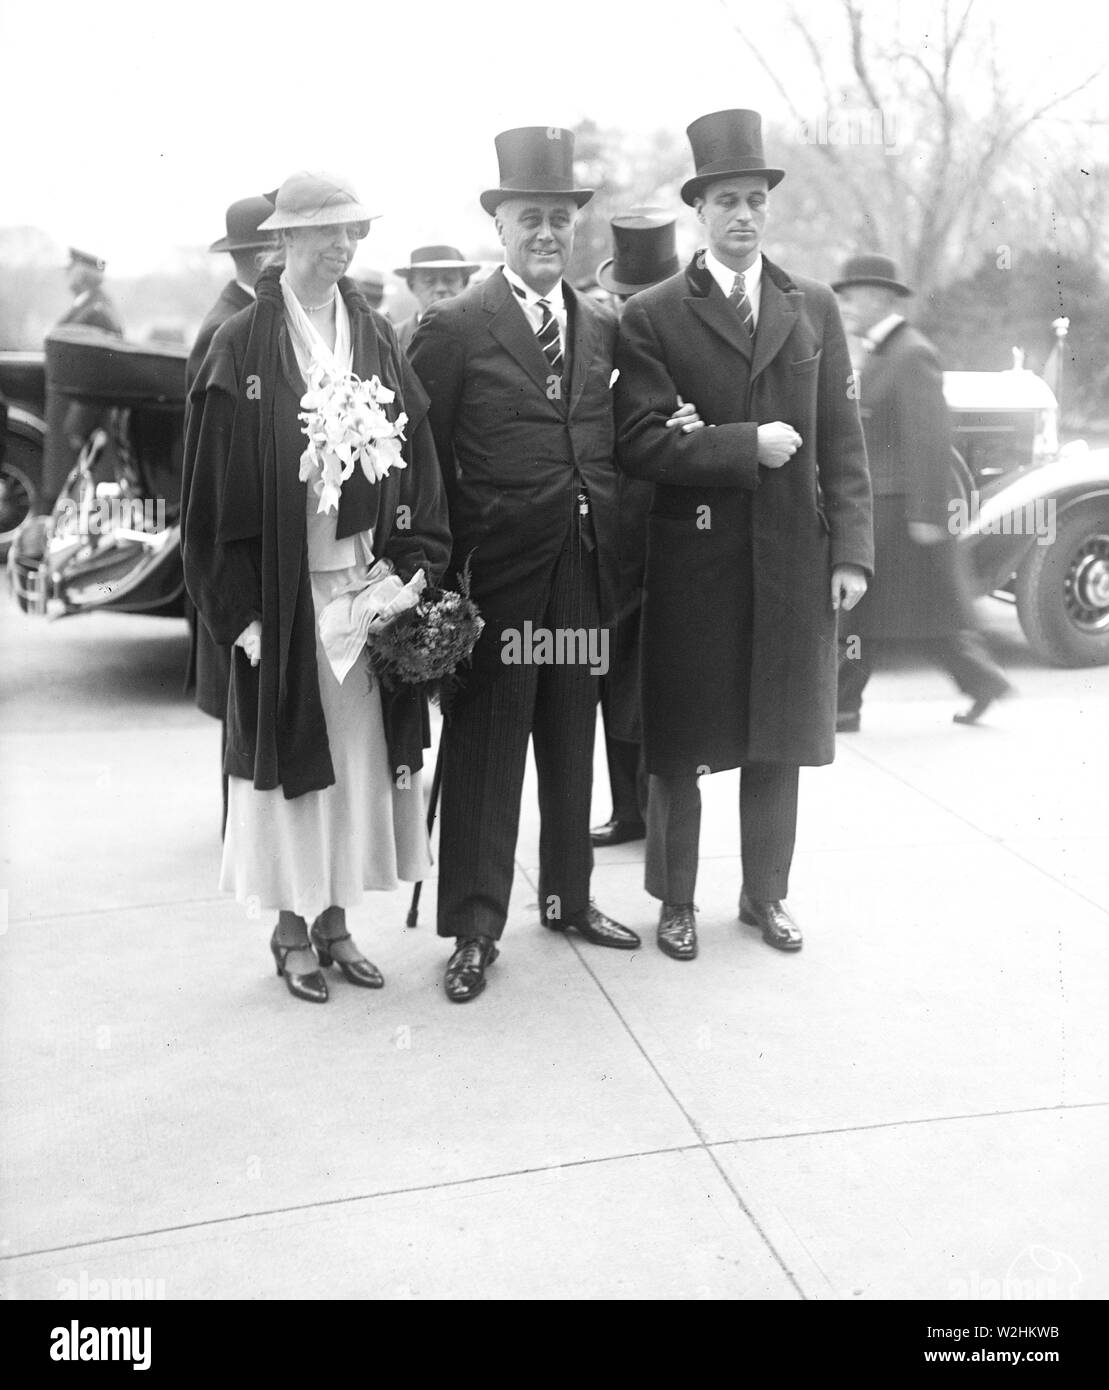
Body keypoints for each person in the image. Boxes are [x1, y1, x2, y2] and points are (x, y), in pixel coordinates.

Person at [181, 171, 451, 1004]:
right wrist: (240, 614)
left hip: (361, 584)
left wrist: (415, 565)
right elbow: (207, 496)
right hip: (284, 592)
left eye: (353, 231)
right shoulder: (242, 343)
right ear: (285, 238)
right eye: (327, 230)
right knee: (294, 761)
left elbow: (417, 457)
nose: (343, 245)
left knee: (355, 760)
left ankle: (335, 922)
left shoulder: (372, 333)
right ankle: (290, 930)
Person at [614, 109, 874, 962]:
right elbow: (639, 442)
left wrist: (851, 553)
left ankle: (765, 895)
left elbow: (842, 439)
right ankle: (675, 901)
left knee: (777, 739)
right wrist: (741, 445)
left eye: (755, 199)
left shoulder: (813, 306)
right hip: (692, 564)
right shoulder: (652, 314)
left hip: (791, 559)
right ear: (697, 209)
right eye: (725, 200)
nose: (742, 215)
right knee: (680, 742)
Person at [409, 125, 643, 1003]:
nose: (546, 233)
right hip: (496, 581)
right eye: (529, 218)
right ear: (499, 226)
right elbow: (422, 461)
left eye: (559, 218)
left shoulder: (602, 323)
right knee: (486, 749)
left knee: (571, 739)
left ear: (575, 227)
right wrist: (433, 580)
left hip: (581, 569)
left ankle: (567, 899)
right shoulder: (454, 327)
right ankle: (474, 929)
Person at [832, 254, 1013, 729]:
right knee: (903, 617)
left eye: (851, 298)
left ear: (879, 298)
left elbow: (930, 439)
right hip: (885, 511)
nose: (845, 307)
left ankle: (844, 708)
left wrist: (928, 515)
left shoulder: (911, 354)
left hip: (902, 515)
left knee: (882, 614)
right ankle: (846, 706)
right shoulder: (885, 352)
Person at [185, 195, 277, 836]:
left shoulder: (244, 317)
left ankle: (243, 834)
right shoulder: (227, 329)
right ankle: (237, 835)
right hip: (231, 545)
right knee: (242, 707)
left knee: (247, 705)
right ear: (263, 254)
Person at [590, 210, 681, 850]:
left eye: (641, 298)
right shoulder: (599, 347)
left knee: (659, 681)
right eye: (625, 298)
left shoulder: (688, 345)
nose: (632, 310)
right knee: (613, 676)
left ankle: (658, 809)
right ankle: (628, 809)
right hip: (609, 533)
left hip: (671, 533)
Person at [393, 246, 479, 354]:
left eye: (449, 280)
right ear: (412, 286)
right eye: (429, 281)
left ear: (463, 283)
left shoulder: (481, 336)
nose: (440, 289)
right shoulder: (393, 339)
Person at [57, 248, 123, 335]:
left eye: (70, 269)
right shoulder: (85, 304)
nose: (66, 274)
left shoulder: (98, 312)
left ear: (81, 274)